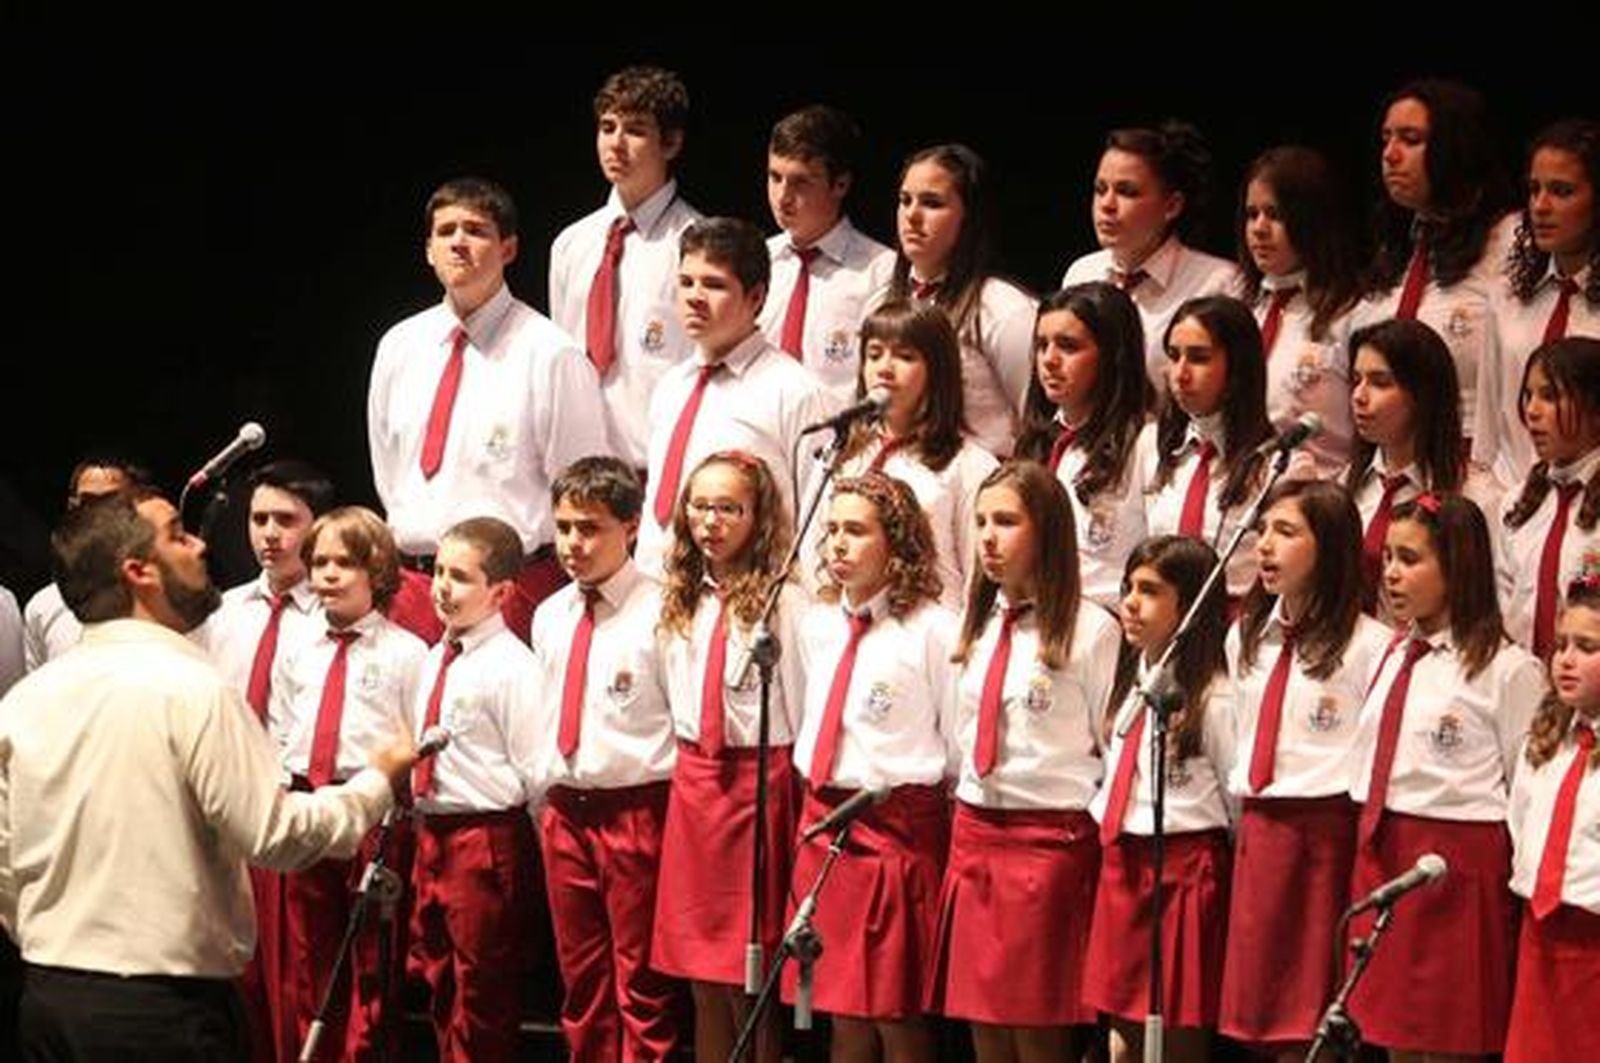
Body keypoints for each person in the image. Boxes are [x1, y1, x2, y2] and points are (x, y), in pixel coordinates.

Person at [0, 491, 414, 1060]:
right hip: (163, 1014)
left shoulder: (25, 701)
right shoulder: (194, 690)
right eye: (177, 534)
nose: (200, 545)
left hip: (49, 1002)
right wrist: (376, 781)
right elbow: (277, 836)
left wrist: (56, 942)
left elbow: (5, 862)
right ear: (139, 572)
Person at [930, 461, 1121, 1062]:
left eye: (1007, 522)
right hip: (976, 834)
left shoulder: (1091, 630)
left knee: (1038, 1035)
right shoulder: (975, 626)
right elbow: (962, 733)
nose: (988, 537)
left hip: (1049, 844)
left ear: (1048, 530)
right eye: (982, 521)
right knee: (985, 1030)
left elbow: (1111, 748)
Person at [367, 176, 610, 643]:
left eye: (476, 230)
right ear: (428, 250)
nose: (458, 242)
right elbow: (389, 473)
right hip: (412, 585)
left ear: (509, 249)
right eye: (446, 231)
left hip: (509, 588)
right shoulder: (400, 346)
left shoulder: (550, 354)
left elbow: (580, 491)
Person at [1348, 493, 1545, 1057]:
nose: (1391, 573)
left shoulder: (1507, 670)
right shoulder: (1393, 654)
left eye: (1410, 559)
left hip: (1458, 870)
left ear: (1457, 567)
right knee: (1392, 1038)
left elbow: (1528, 790)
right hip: (1387, 852)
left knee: (1448, 1041)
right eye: (1388, 557)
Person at [785, 472, 957, 1061]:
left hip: (893, 832)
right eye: (832, 529)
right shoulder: (816, 624)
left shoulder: (933, 629)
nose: (838, 543)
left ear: (897, 541)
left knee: (894, 1013)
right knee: (841, 1012)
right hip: (824, 824)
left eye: (856, 531)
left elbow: (954, 743)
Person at [1219, 480, 1393, 1059]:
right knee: (1260, 1023)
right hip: (1260, 835)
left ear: (1331, 547)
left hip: (1325, 841)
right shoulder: (1245, 638)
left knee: (1314, 1020)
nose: (1265, 545)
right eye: (1263, 530)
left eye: (1287, 532)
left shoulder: (1371, 647)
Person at [652, 451, 805, 1063]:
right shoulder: (680, 597)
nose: (710, 522)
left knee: (749, 976)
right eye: (700, 507)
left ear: (757, 518)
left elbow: (800, 700)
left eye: (728, 509)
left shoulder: (784, 602)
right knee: (701, 979)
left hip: (755, 784)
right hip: (696, 785)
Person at [527, 457, 679, 1061]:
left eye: (590, 528)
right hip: (567, 809)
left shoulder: (664, 611)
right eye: (564, 527)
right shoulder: (550, 614)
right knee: (582, 982)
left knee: (641, 984)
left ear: (632, 527)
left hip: (637, 809)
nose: (573, 543)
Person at [268, 506, 425, 1061]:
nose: (329, 574)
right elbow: (282, 727)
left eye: (345, 563)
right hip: (308, 807)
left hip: (371, 818)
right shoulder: (296, 647)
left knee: (368, 964)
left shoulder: (406, 652)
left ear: (377, 571)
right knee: (308, 955)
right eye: (319, 563)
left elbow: (412, 743)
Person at [193, 458, 335, 1063]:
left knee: (301, 976)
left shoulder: (333, 616)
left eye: (286, 520)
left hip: (291, 806)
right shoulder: (222, 612)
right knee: (236, 977)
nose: (270, 534)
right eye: (259, 520)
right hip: (228, 810)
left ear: (317, 525)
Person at [1087, 535, 1237, 1063]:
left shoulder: (1214, 697)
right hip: (1124, 864)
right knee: (1122, 1037)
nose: (1130, 602)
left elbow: (1235, 801)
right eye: (1129, 587)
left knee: (1177, 1033)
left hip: (1184, 870)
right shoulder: (1130, 681)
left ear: (1191, 606)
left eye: (1150, 591)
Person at [405, 516, 542, 1062]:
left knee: (482, 987)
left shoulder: (513, 667)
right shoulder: (434, 656)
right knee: (438, 977)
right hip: (432, 832)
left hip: (485, 837)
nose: (442, 587)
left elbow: (534, 770)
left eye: (460, 577)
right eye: (439, 572)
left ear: (501, 592)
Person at [634, 217, 835, 578]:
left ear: (755, 296)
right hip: (658, 587)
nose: (695, 297)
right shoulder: (671, 386)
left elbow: (817, 520)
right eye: (686, 282)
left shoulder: (795, 393)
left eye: (714, 285)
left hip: (748, 593)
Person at [549, 66, 702, 471]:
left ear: (671, 143)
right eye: (607, 127)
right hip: (579, 471)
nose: (616, 143)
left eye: (635, 130)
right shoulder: (571, 244)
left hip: (658, 467)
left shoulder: (697, 244)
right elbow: (563, 361)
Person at [1353, 78, 1514, 441]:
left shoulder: (1509, 241)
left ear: (1455, 148)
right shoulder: (1395, 249)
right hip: (1390, 462)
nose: (1390, 155)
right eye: (1386, 139)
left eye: (1411, 140)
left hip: (1472, 457)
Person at [823, 300, 997, 608]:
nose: (884, 369)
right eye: (874, 354)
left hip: (932, 629)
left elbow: (979, 580)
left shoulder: (970, 466)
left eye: (905, 356)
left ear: (937, 370)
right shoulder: (842, 454)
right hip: (850, 626)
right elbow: (817, 554)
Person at [1504, 561, 1600, 1061]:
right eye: (1561, 644)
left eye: (1587, 647)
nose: (1565, 659)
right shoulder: (1546, 741)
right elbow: (1521, 824)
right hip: (1539, 935)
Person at [1062, 122, 1238, 393]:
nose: (1107, 205)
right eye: (1100, 189)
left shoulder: (1218, 283)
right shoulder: (1082, 273)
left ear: (1172, 206)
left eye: (1127, 192)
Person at [1345, 318, 1502, 618]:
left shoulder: (1477, 496)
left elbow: (1488, 604)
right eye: (1356, 380)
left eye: (1380, 382)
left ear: (1422, 393)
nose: (1359, 396)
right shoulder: (1349, 483)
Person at [887, 144, 1038, 456]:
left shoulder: (1003, 309)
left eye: (932, 203)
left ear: (969, 216)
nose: (912, 215)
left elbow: (1037, 421)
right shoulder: (882, 299)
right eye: (905, 200)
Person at [1476, 118, 1600, 492]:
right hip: (1513, 502)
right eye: (1534, 190)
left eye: (1561, 191)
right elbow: (1487, 428)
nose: (1540, 206)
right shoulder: (1507, 297)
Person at [1145, 295, 1297, 598]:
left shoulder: (1281, 463)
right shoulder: (1151, 446)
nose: (1180, 374)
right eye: (1174, 356)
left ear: (1238, 366)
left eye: (1199, 358)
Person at [1014, 282, 1155, 608]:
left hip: (1106, 618)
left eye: (1068, 346)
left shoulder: (1145, 445)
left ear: (1113, 355)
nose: (1049, 360)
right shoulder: (1037, 441)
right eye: (1042, 345)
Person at [1237, 145, 1365, 475]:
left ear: (1312, 220)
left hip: (1323, 492)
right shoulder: (1244, 307)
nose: (1259, 228)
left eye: (1275, 215)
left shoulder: (1352, 314)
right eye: (1252, 214)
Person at [759, 104, 896, 400]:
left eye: (801, 182)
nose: (782, 196)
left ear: (840, 184)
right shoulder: (756, 259)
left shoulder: (880, 272)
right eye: (775, 177)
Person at [1498, 337, 1600, 658]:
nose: (1532, 411)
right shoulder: (1516, 503)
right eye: (1528, 396)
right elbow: (1503, 607)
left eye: (1550, 396)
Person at [22, 454, 152, 670]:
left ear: (138, 507)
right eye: (87, 502)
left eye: (112, 501)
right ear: (71, 507)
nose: (98, 513)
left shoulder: (164, 597)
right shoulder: (44, 607)